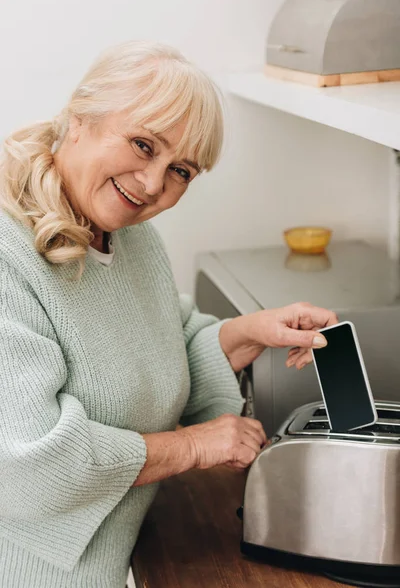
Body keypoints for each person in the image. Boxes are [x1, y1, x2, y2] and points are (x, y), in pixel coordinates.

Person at [0, 41, 338, 588]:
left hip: (113, 561)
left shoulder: (131, 238)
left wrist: (248, 332)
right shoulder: (6, 255)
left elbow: (161, 344)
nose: (154, 184)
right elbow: (27, 468)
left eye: (180, 170)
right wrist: (193, 446)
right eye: (142, 144)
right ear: (80, 117)